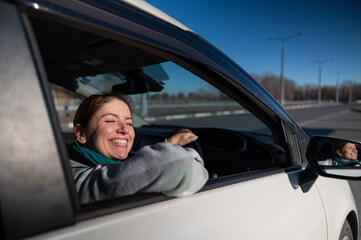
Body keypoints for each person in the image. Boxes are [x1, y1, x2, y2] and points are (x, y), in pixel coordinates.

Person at [69, 92, 209, 204]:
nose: (124, 129)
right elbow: (178, 163)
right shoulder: (69, 179)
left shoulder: (89, 161)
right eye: (110, 120)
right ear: (81, 134)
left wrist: (169, 144)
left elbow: (132, 168)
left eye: (129, 123)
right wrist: (182, 152)